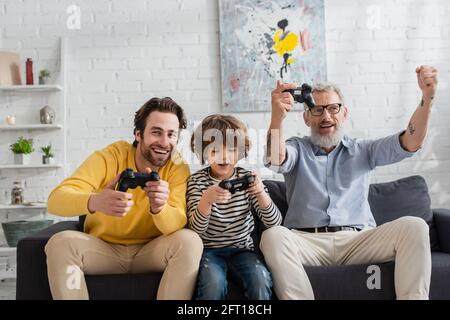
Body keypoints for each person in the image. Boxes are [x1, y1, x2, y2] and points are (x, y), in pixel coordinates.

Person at [262, 65, 438, 300]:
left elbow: (411, 142)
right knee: (272, 236)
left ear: (344, 113)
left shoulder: (363, 150)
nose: (326, 116)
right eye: (317, 110)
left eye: (333, 108)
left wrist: (427, 97)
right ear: (306, 117)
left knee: (414, 226)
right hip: (306, 242)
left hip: (358, 241)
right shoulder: (296, 148)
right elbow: (276, 159)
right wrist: (277, 117)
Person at [45, 97, 203, 300]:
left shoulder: (177, 166)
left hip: (151, 251)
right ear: (139, 134)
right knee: (60, 243)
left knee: (190, 241)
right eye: (156, 132)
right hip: (103, 249)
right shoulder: (110, 157)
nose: (164, 142)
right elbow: (55, 200)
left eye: (171, 134)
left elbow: (178, 223)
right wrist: (96, 201)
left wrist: (160, 208)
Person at [187, 114, 282, 300]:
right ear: (203, 152)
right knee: (212, 284)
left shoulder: (246, 178)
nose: (224, 157)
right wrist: (206, 200)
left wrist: (261, 193)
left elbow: (274, 223)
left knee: (260, 280)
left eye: (231, 150)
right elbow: (196, 230)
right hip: (208, 250)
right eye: (214, 150)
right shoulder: (196, 182)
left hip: (243, 250)